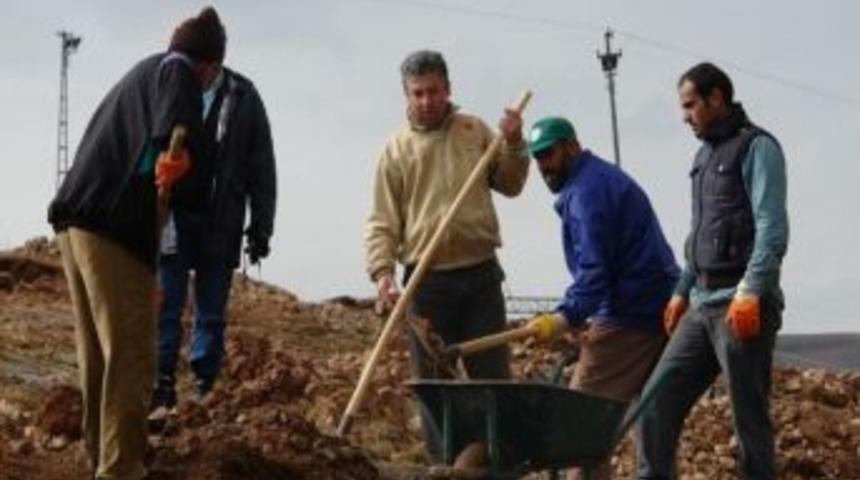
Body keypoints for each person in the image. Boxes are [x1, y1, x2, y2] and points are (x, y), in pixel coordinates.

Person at [47, 7, 226, 480]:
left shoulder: (141, 75)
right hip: (111, 227)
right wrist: (179, 152)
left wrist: (148, 267)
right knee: (131, 354)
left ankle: (99, 456)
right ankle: (122, 467)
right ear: (210, 65)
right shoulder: (178, 70)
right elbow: (175, 130)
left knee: (100, 353)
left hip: (77, 222)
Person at [363, 49, 528, 463]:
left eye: (433, 91)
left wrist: (512, 143)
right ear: (406, 96)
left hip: (480, 278)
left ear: (448, 89)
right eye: (417, 93)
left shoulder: (474, 131)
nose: (426, 101)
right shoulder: (395, 151)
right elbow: (382, 220)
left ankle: (498, 465)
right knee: (436, 389)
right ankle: (445, 468)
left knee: (492, 381)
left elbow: (510, 182)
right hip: (427, 283)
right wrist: (383, 273)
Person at [635, 63, 789, 480]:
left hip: (740, 307)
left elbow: (772, 227)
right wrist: (681, 289)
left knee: (749, 421)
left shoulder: (758, 148)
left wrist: (752, 290)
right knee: (654, 403)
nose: (685, 116)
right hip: (701, 307)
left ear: (716, 98)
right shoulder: (703, 157)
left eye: (690, 106)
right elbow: (701, 234)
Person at [525, 116, 680, 480]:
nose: (543, 166)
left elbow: (594, 272)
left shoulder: (586, 193)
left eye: (548, 154)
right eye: (537, 158)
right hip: (659, 305)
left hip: (631, 314)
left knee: (581, 427)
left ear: (571, 146)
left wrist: (566, 315)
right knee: (652, 421)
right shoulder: (600, 178)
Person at [150, 57, 277, 409]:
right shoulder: (173, 87)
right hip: (174, 215)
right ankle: (161, 384)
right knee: (166, 303)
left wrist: (261, 227)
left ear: (217, 60)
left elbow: (261, 164)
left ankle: (204, 387)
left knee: (211, 311)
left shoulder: (244, 96)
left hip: (222, 220)